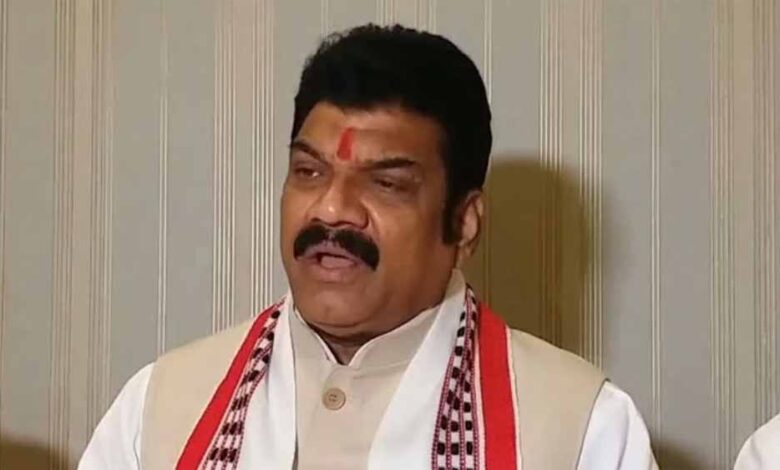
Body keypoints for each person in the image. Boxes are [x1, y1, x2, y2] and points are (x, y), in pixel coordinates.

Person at [79, 24, 657, 470]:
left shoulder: (584, 431)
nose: (331, 210)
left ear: (464, 223)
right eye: (309, 172)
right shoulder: (159, 411)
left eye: (386, 184)